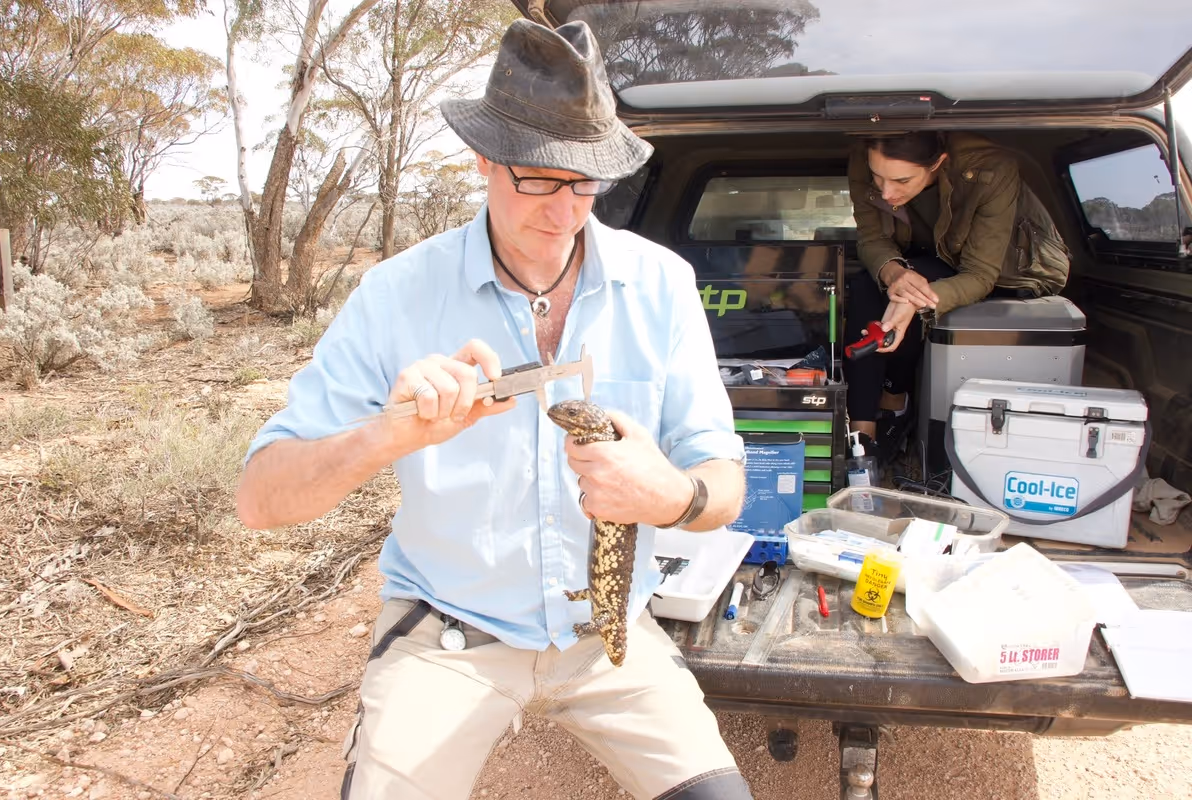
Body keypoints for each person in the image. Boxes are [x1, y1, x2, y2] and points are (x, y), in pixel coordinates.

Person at [234, 18, 754, 800]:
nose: (564, 210)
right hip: (448, 636)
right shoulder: (396, 295)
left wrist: (674, 496)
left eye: (585, 182)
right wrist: (388, 434)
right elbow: (260, 499)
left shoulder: (662, 284)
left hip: (610, 638)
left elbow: (727, 479)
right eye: (539, 179)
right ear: (484, 158)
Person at [843, 131, 1071, 460]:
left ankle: (894, 401)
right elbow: (871, 238)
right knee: (869, 285)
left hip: (1001, 269)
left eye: (902, 181)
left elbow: (979, 274)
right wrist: (895, 273)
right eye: (878, 177)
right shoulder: (863, 159)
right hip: (925, 258)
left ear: (937, 163)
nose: (886, 192)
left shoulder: (991, 168)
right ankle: (861, 443)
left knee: (905, 299)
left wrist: (911, 299)